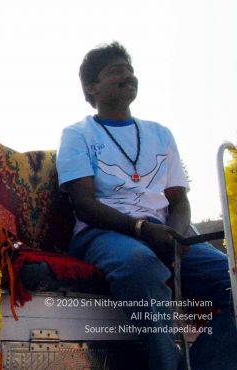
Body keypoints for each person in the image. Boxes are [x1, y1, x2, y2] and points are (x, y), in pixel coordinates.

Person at [56, 41, 236, 370]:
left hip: (167, 232)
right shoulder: (77, 134)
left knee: (233, 280)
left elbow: (179, 200)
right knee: (141, 263)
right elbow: (83, 204)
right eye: (116, 71)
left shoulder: (160, 133)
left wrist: (177, 238)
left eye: (130, 69)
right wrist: (141, 229)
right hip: (105, 232)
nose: (128, 75)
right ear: (92, 87)